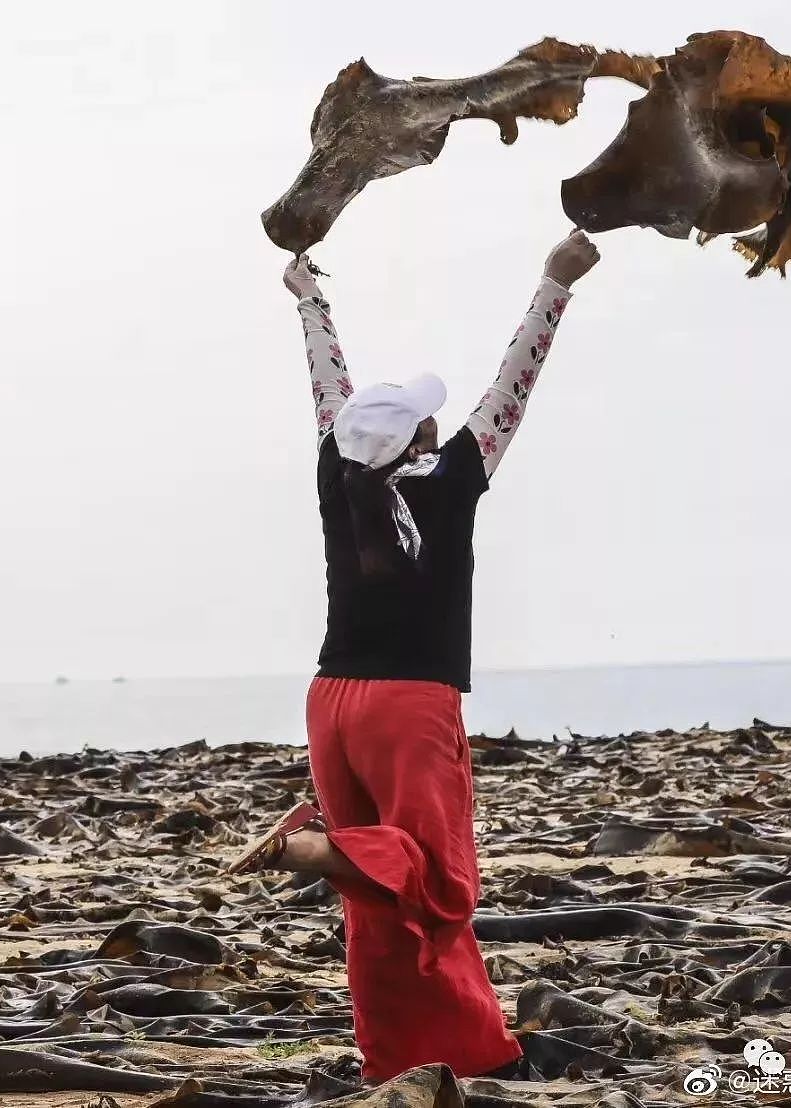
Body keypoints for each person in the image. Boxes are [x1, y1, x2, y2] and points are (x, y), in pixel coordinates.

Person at [228, 230, 601, 1082]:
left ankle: (407, 1055)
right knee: (440, 885)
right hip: (410, 705)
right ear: (424, 434)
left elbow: (328, 386)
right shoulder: (452, 477)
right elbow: (515, 384)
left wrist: (307, 299)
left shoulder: (340, 471)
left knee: (376, 912)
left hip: (331, 700)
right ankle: (322, 849)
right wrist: (556, 281)